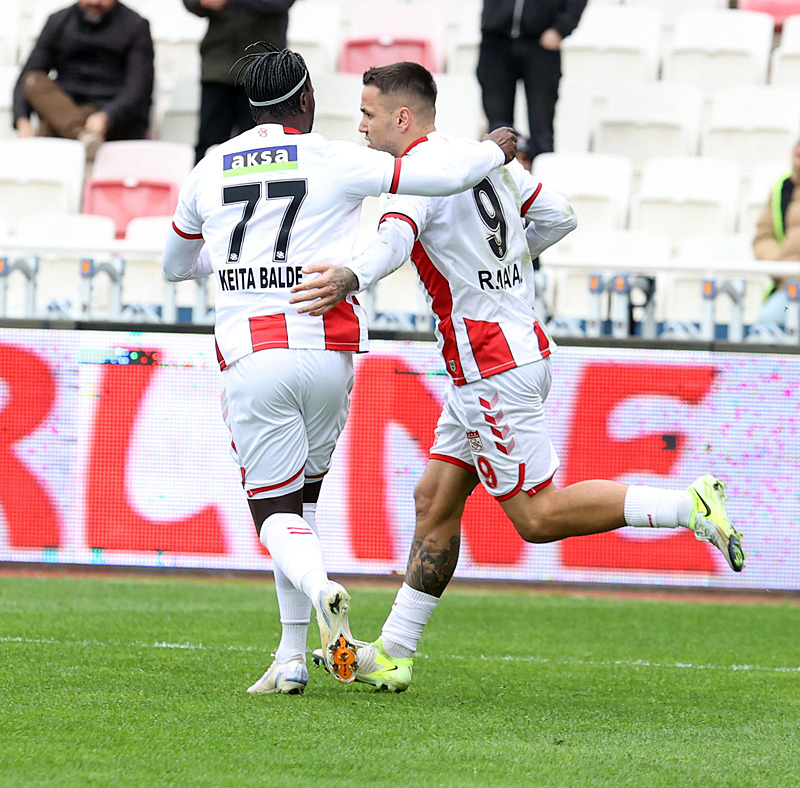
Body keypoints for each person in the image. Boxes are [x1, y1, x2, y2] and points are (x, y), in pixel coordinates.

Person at [291, 61, 746, 693]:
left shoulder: (418, 177)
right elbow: (558, 215)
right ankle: (394, 651)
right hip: (513, 348)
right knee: (435, 498)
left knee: (536, 516)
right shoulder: (478, 159)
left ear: (401, 117)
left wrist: (349, 277)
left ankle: (685, 505)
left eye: (367, 113)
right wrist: (501, 263)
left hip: (490, 367)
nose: (361, 126)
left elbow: (394, 244)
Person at [161, 44, 517, 695]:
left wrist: (232, 262)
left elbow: (174, 267)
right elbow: (438, 178)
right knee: (303, 508)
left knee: (274, 515)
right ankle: (290, 654)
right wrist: (497, 146)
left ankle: (324, 588)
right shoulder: (333, 157)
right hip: (329, 351)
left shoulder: (208, 168)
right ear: (308, 102)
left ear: (252, 106)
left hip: (253, 353)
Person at [13, 0, 154, 158]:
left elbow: (138, 88)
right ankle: (81, 134)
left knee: (51, 125)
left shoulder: (135, 26)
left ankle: (75, 132)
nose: (95, 2)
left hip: (107, 110)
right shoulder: (58, 21)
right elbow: (29, 73)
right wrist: (22, 120)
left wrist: (108, 116)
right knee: (33, 80)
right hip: (62, 104)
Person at [183, 0, 297, 162]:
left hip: (261, 70)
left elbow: (279, 3)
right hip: (217, 68)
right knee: (209, 147)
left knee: (260, 148)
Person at [477, 0, 587, 161]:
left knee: (541, 127)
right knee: (497, 128)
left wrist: (561, 29)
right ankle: (495, 181)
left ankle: (542, 180)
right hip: (495, 41)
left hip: (542, 44)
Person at [753, 137, 800, 327]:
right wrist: (781, 265)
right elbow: (763, 237)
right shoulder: (782, 188)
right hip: (789, 291)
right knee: (768, 323)